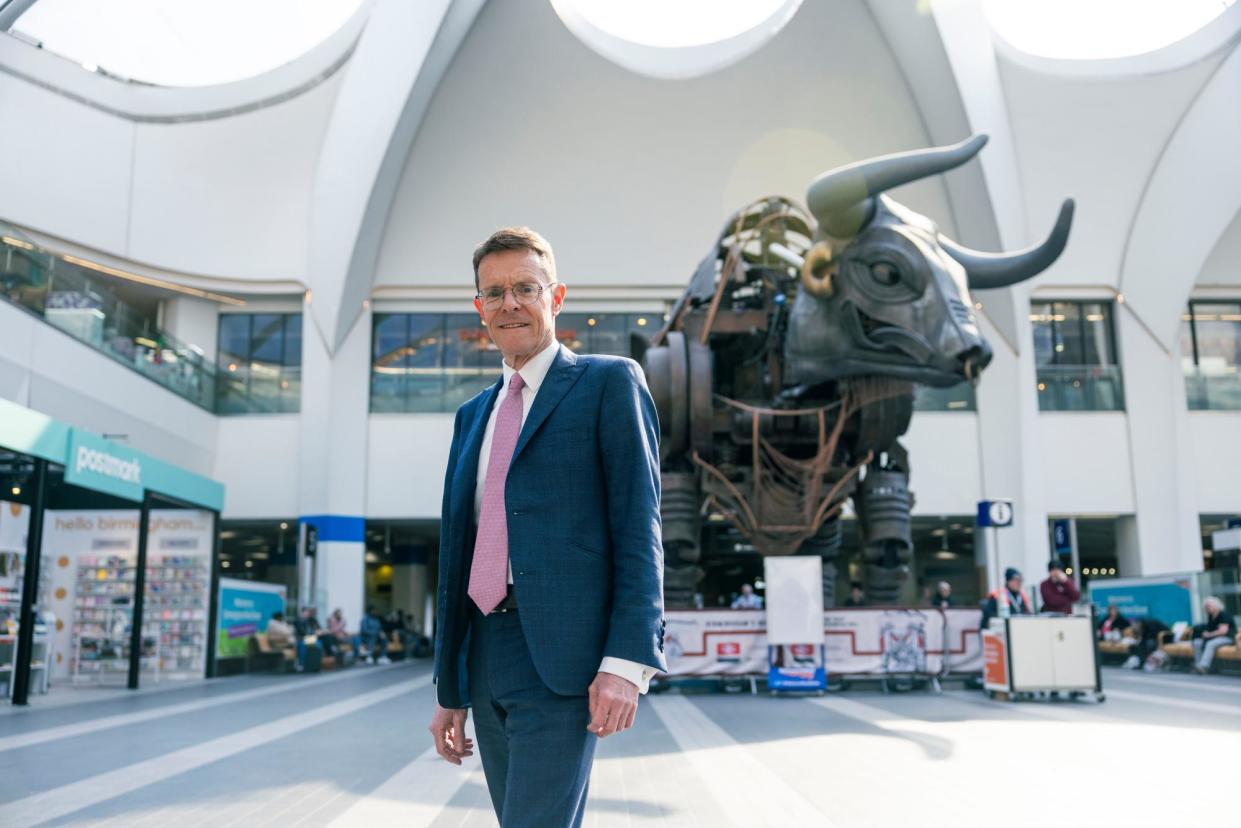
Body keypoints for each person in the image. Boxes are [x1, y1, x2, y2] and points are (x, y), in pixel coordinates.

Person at [429, 227, 665, 828]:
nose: (510, 303)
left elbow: (640, 528)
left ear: (556, 297)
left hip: (564, 660)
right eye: (495, 292)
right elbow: (457, 555)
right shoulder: (471, 416)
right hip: (485, 658)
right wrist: (449, 687)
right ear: (478, 307)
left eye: (525, 288)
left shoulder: (608, 383)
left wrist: (626, 662)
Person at [1192, 597, 1237, 674]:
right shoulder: (1211, 615)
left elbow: (1223, 631)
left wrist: (1209, 635)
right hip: (1215, 638)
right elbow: (1210, 628)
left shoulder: (1223, 614)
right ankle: (1198, 664)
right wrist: (1205, 634)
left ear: (1216, 605)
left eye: (1209, 606)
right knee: (1197, 642)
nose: (1207, 608)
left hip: (1228, 638)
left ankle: (1204, 666)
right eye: (1206, 607)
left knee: (1211, 643)